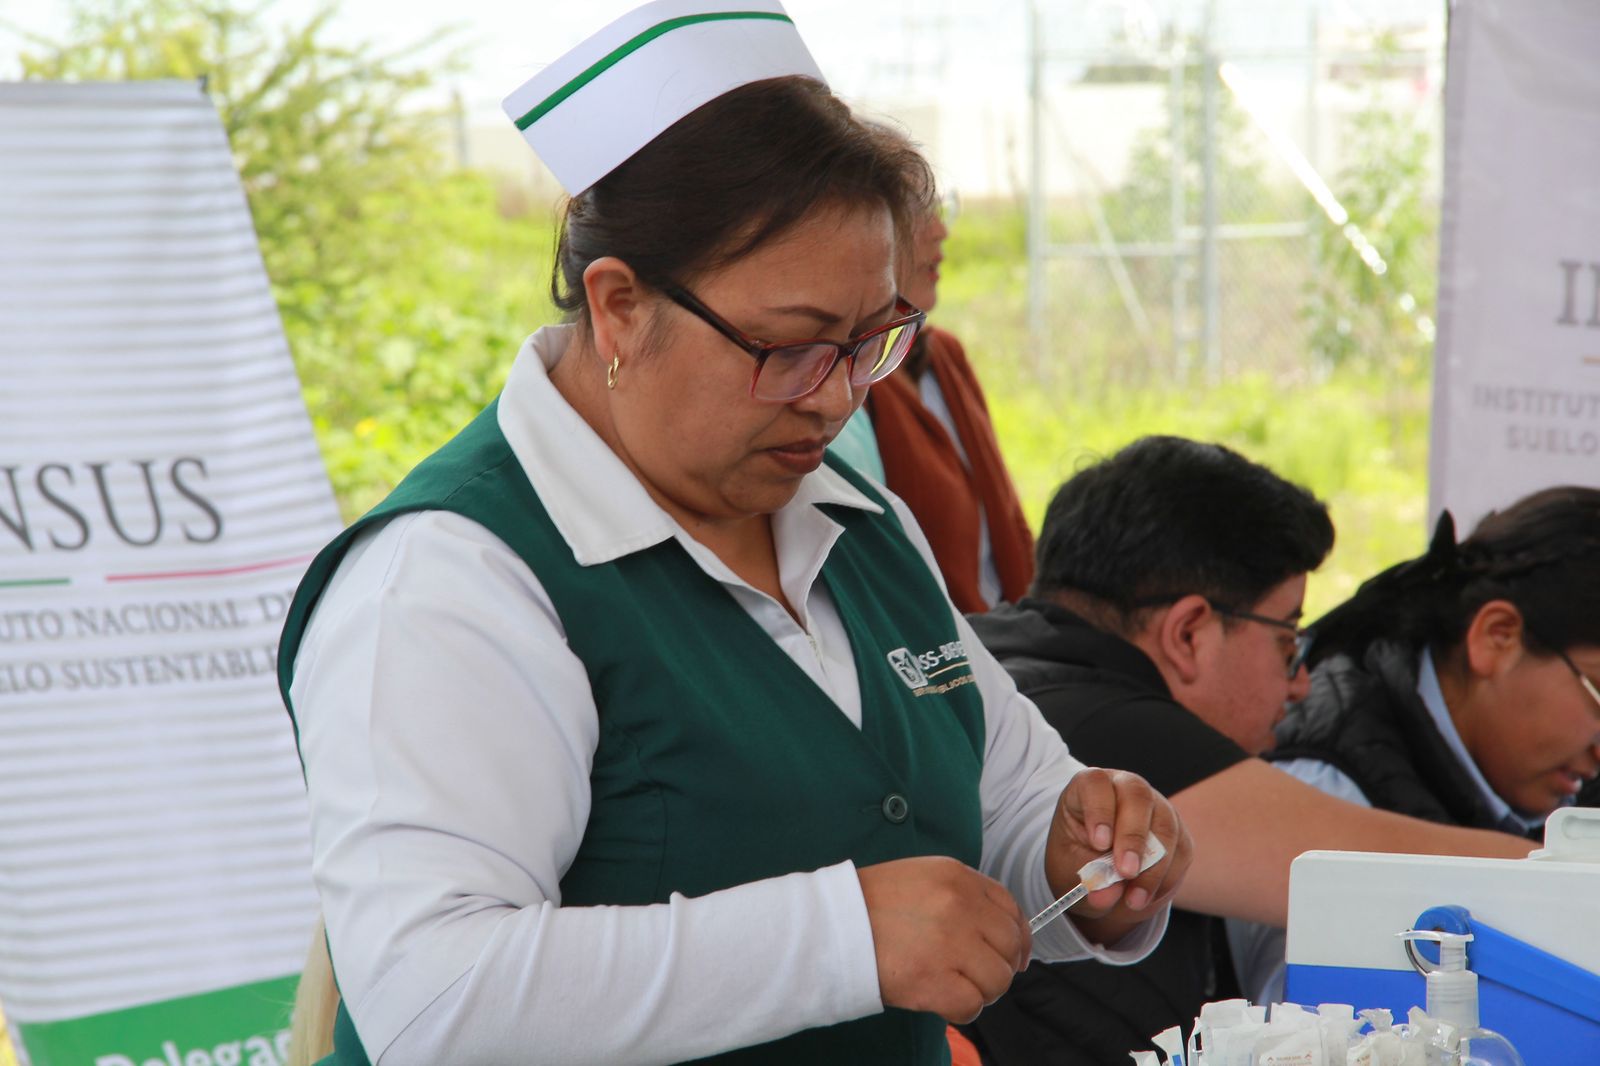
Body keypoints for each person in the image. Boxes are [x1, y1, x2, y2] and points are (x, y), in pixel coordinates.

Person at [275, 4, 1193, 1063]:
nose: (837, 398)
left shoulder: (859, 528)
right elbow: (434, 999)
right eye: (791, 346)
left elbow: (1009, 795)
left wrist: (1085, 854)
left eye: (872, 341)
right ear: (619, 307)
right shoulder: (449, 580)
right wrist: (839, 937)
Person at [956, 437, 1538, 1065]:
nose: (1301, 682)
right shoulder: (1108, 727)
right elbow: (1384, 865)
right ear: (1188, 633)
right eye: (1288, 639)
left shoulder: (1004, 662)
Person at [1231, 486, 1600, 1003]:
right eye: (1599, 696)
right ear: (1496, 638)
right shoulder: (1326, 785)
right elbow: (1305, 1035)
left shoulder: (1550, 771)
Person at [858, 191, 1034, 613]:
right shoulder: (853, 386)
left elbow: (1007, 516)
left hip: (1005, 633)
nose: (941, 230)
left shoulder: (944, 357)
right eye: (918, 211)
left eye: (941, 207)